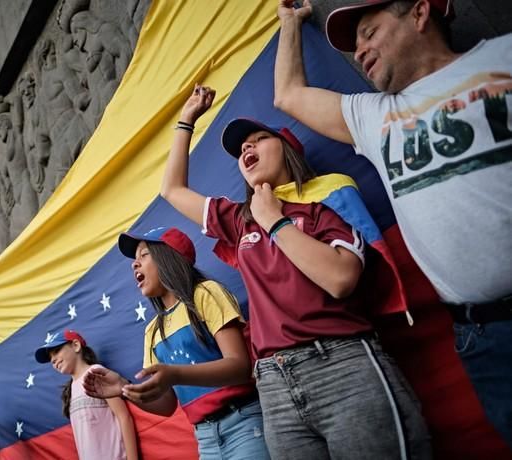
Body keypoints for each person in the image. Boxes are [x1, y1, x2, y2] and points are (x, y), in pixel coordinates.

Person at [273, 0, 512, 446]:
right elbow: (288, 94)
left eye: (369, 32)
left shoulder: (503, 58)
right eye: (355, 43)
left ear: (420, 13)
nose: (359, 50)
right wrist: (290, 22)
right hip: (484, 339)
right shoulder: (373, 115)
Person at [157, 84, 431, 460]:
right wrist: (186, 120)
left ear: (287, 149)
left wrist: (275, 221)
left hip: (341, 366)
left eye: (258, 139)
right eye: (241, 150)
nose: (246, 150)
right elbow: (172, 190)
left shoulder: (324, 205)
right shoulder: (239, 221)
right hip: (273, 382)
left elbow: (340, 279)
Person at [83, 227, 270, 460]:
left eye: (144, 255)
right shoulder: (151, 331)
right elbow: (167, 404)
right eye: (135, 259)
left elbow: (240, 367)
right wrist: (124, 388)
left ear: (168, 257)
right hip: (204, 438)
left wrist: (175, 374)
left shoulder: (205, 293)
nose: (134, 264)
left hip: (245, 424)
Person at [34, 329, 138, 460]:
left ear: (76, 345)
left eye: (56, 351)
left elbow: (124, 416)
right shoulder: (70, 391)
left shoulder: (96, 373)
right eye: (50, 358)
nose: (53, 360)